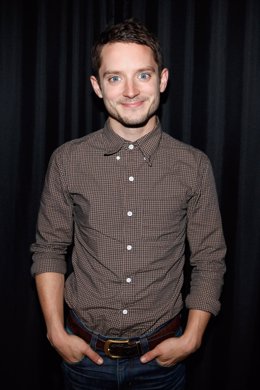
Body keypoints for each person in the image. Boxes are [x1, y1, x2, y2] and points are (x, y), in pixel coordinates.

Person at [30, 18, 226, 390]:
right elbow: (49, 249)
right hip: (84, 358)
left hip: (163, 364)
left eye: (143, 75)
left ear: (162, 80)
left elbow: (209, 257)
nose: (131, 91)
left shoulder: (194, 165)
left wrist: (193, 337)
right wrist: (56, 332)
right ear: (97, 86)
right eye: (115, 77)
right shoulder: (67, 160)